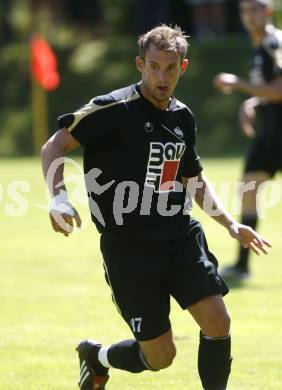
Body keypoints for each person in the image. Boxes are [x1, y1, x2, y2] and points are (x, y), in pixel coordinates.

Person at [41, 24, 270, 390]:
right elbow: (53, 146)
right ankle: (97, 358)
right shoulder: (112, 109)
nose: (161, 76)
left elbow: (191, 178)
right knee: (160, 357)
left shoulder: (183, 117)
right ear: (140, 64)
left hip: (179, 235)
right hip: (129, 248)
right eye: (153, 67)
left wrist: (231, 225)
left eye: (169, 67)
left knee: (217, 321)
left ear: (183, 67)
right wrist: (58, 199)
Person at [214, 0, 282, 280]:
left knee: (249, 188)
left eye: (254, 9)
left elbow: (280, 90)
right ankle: (242, 266)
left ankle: (242, 266)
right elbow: (270, 90)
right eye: (244, 10)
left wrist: (238, 84)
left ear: (267, 11)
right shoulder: (260, 46)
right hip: (272, 132)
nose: (248, 16)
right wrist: (252, 102)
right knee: (249, 188)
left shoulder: (273, 43)